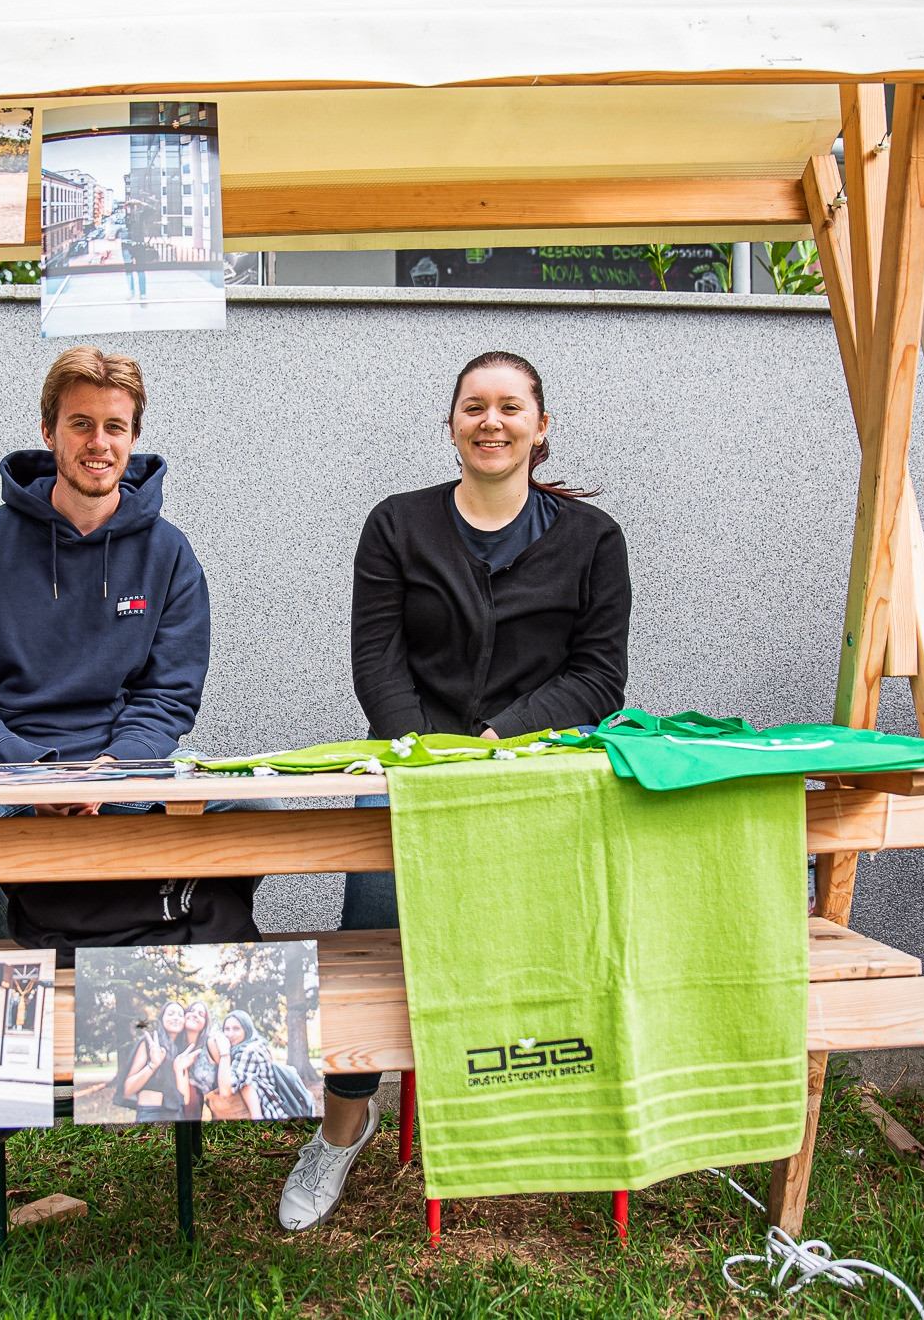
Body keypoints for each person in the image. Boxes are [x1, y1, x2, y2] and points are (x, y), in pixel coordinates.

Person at [276, 349, 632, 1232]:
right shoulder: (397, 526)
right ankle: (344, 1121)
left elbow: (598, 676)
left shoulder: (594, 540)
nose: (491, 421)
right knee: (371, 928)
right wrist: (432, 758)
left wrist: (500, 742)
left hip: (537, 773)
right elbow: (377, 661)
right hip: (412, 768)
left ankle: (538, 1104)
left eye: (510, 406)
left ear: (541, 427)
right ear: (451, 426)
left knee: (558, 936)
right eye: (474, 406)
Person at [0, 346, 260, 962]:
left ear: (133, 438)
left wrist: (116, 769)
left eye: (114, 426)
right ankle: (20, 968)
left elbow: (169, 694)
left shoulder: (169, 553)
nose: (99, 443)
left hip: (125, 769)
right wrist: (30, 771)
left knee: (253, 809)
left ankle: (170, 947)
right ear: (50, 432)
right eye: (81, 424)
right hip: (12, 771)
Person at [120, 1001, 188, 1123]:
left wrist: (179, 1069)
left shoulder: (181, 1050)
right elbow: (127, 1090)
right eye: (171, 1014)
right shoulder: (149, 1043)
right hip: (151, 1113)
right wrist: (153, 1065)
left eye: (180, 1015)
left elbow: (185, 1097)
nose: (176, 1018)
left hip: (176, 1114)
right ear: (161, 1019)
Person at [219, 1009, 291, 1120]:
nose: (230, 1034)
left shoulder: (248, 1051)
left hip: (267, 1115)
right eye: (227, 1029)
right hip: (270, 1112)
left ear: (246, 1029)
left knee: (246, 1084)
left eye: (236, 1029)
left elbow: (225, 1092)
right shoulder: (257, 1043)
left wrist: (224, 1053)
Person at [171, 999, 219, 1117]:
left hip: (206, 1112)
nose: (195, 1015)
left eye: (201, 1014)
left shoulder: (210, 1044)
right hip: (176, 1109)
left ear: (205, 1023)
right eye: (191, 1011)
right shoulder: (174, 1045)